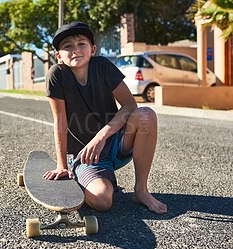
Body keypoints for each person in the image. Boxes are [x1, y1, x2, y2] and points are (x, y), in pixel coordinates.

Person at [43, 21, 167, 215]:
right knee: (102, 201)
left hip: (118, 144)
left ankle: (141, 190)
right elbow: (60, 122)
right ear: (58, 55)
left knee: (146, 115)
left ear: (92, 49)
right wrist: (62, 166)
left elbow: (129, 105)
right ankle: (82, 176)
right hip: (88, 157)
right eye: (68, 46)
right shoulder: (56, 75)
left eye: (81, 44)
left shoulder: (102, 66)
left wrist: (101, 137)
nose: (75, 49)